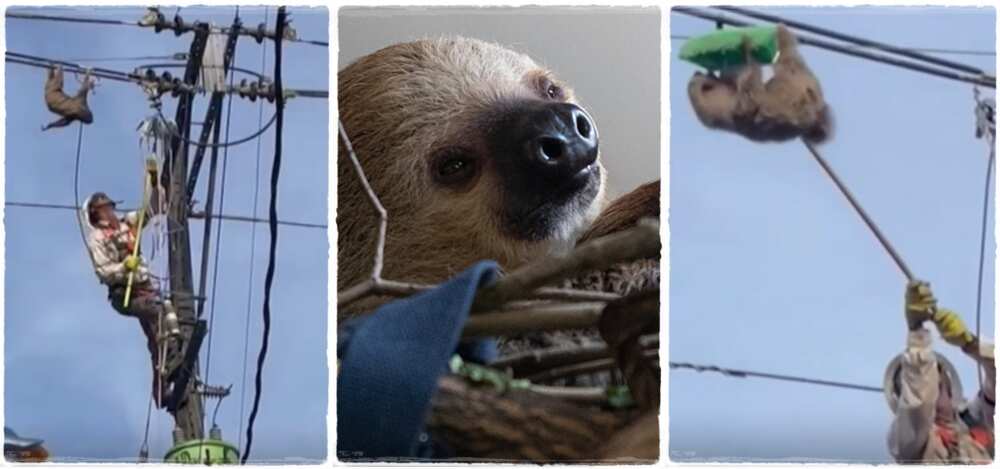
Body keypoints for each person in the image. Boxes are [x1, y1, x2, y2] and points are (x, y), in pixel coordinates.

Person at [80, 160, 179, 406]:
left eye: (111, 207)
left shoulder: (127, 223)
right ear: (96, 214)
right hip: (125, 294)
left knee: (156, 338)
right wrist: (124, 267)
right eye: (105, 209)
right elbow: (103, 271)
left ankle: (162, 389)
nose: (111, 212)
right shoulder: (97, 238)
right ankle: (175, 357)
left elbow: (153, 210)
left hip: (144, 287)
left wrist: (155, 184)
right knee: (160, 310)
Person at [886, 280, 995, 463]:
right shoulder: (907, 441)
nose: (930, 395)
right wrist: (917, 332)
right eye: (910, 390)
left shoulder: (977, 419)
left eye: (936, 386)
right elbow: (917, 406)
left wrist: (970, 343)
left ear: (949, 388)